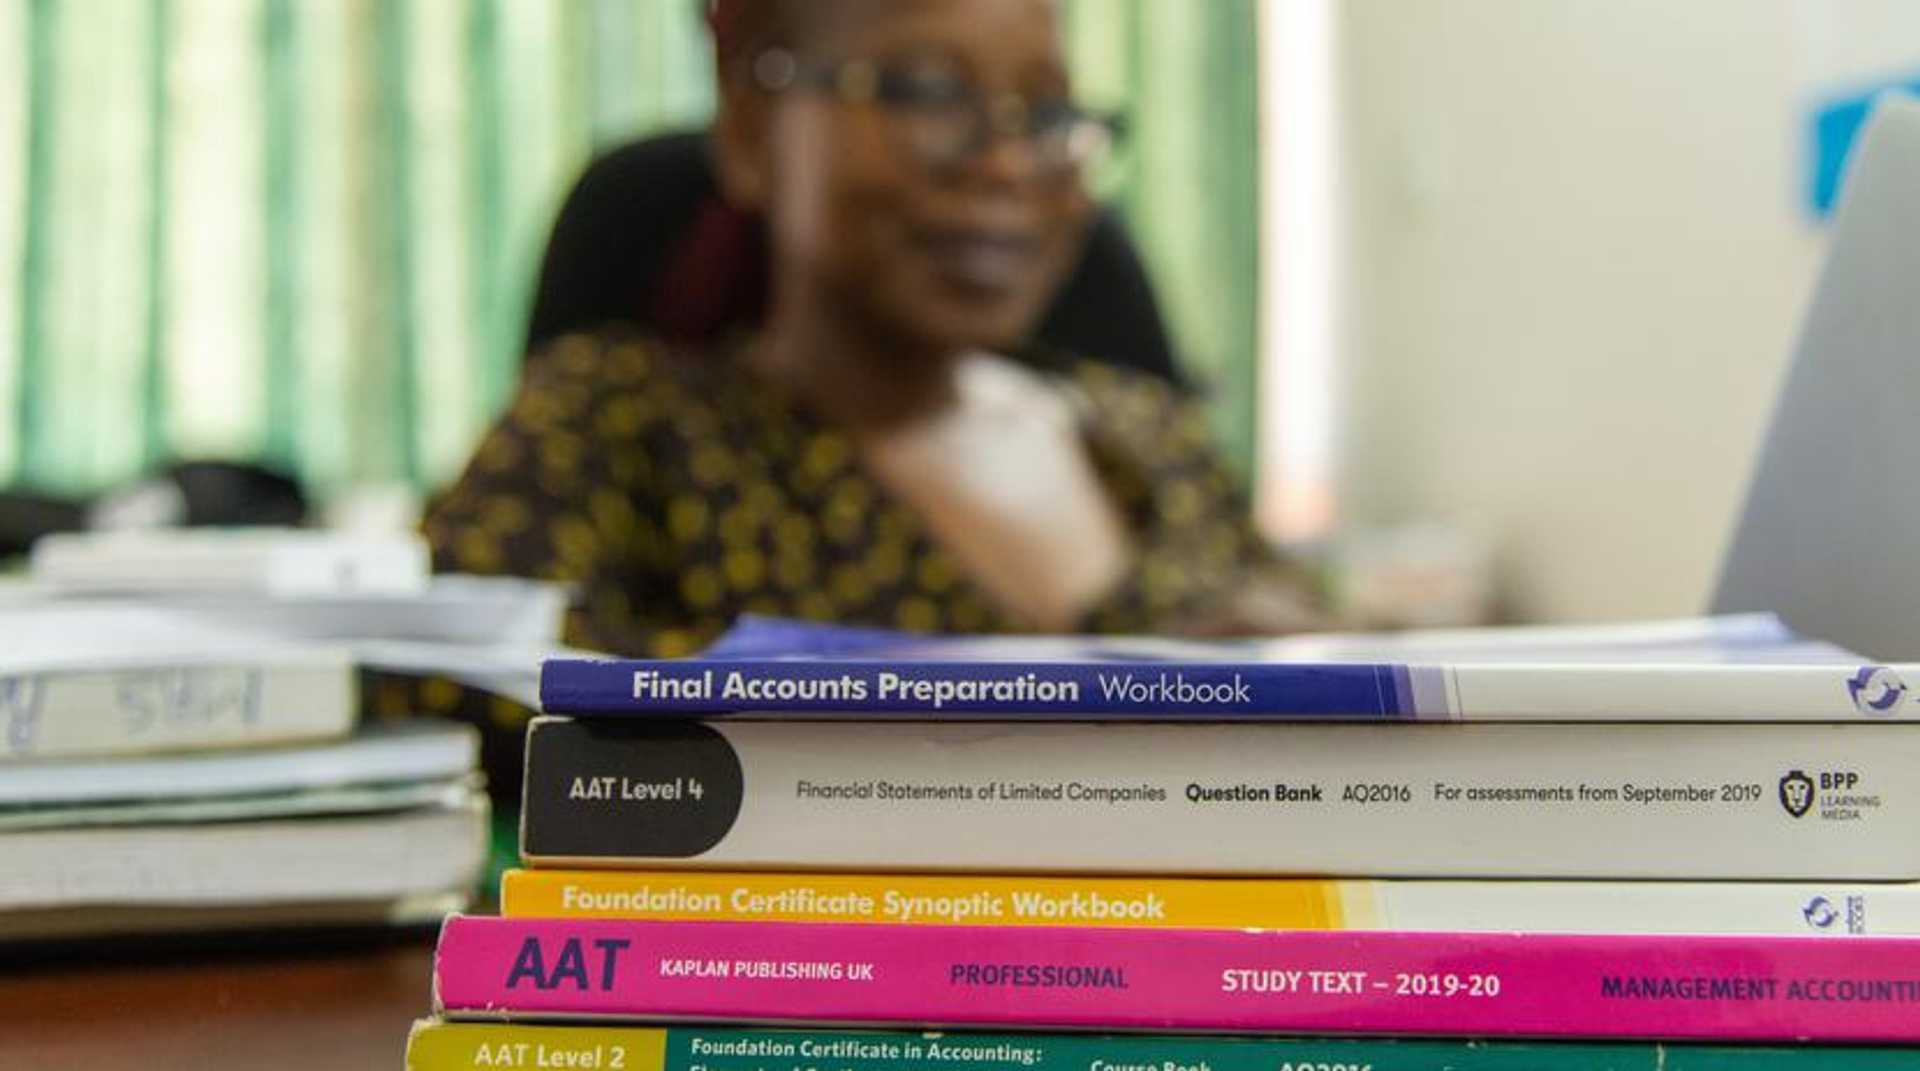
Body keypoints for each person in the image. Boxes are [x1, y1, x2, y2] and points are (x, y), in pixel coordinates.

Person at [419, 0, 1324, 668]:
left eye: (1048, 113)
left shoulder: (1144, 430)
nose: (1007, 163)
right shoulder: (622, 423)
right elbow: (440, 679)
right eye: (927, 93)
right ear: (753, 126)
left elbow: (1318, 640)